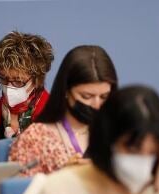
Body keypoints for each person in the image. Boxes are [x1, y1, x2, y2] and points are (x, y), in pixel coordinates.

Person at [9, 45, 118, 176]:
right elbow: (17, 192)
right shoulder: (36, 138)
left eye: (104, 97)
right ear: (66, 91)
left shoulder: (116, 134)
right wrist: (61, 176)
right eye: (86, 96)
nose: (97, 105)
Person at [0, 31, 54, 158]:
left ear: (37, 80)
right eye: (3, 78)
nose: (9, 87)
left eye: (18, 81)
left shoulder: (54, 113)